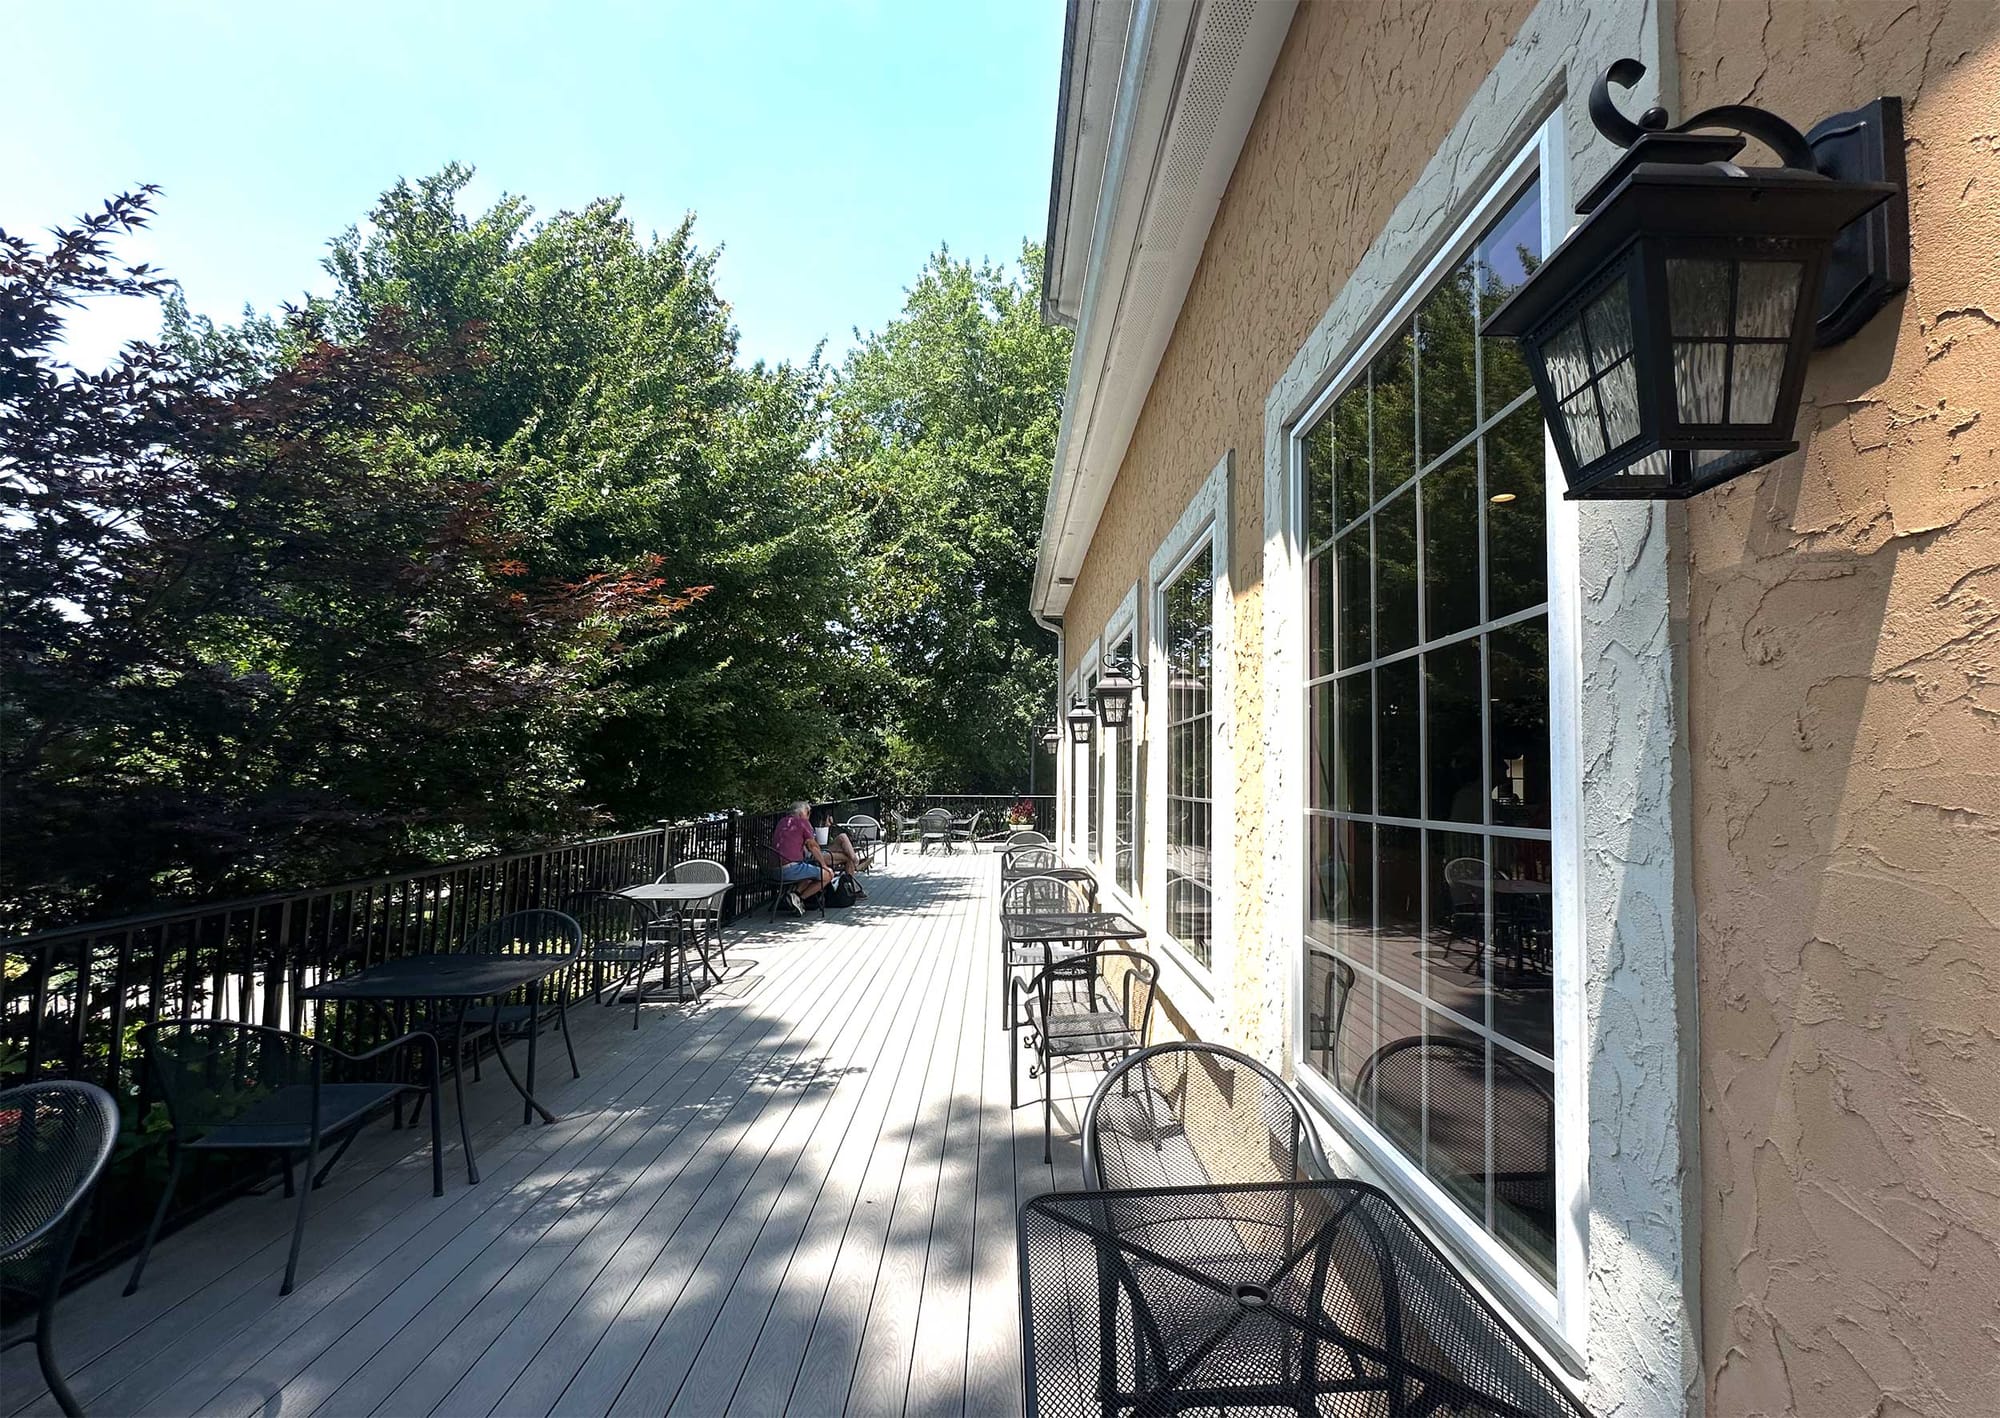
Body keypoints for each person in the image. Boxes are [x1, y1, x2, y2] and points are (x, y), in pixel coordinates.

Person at [772, 801, 832, 916]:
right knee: (828, 875)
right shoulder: (802, 822)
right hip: (788, 870)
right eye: (807, 813)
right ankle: (798, 898)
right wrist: (824, 865)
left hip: (772, 871)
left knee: (808, 873)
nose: (809, 816)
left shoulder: (782, 821)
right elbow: (813, 846)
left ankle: (793, 895)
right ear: (801, 813)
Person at [812, 807, 869, 896]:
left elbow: (824, 842)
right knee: (849, 857)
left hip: (823, 850)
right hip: (816, 855)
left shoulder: (822, 828)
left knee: (842, 837)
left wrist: (828, 825)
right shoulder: (809, 829)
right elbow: (814, 846)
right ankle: (856, 863)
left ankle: (854, 860)